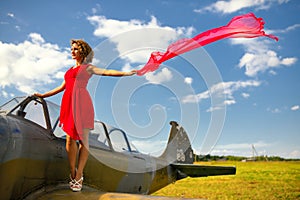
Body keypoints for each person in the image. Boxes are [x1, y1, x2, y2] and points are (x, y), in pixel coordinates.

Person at [34, 39, 136, 192]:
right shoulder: (69, 70)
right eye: (71, 49)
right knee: (69, 139)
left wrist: (126, 73)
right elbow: (62, 87)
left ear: (82, 51)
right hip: (68, 103)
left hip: (82, 103)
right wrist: (43, 95)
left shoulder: (88, 68)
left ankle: (79, 173)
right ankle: (72, 171)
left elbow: (106, 72)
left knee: (83, 139)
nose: (72, 51)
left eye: (75, 49)